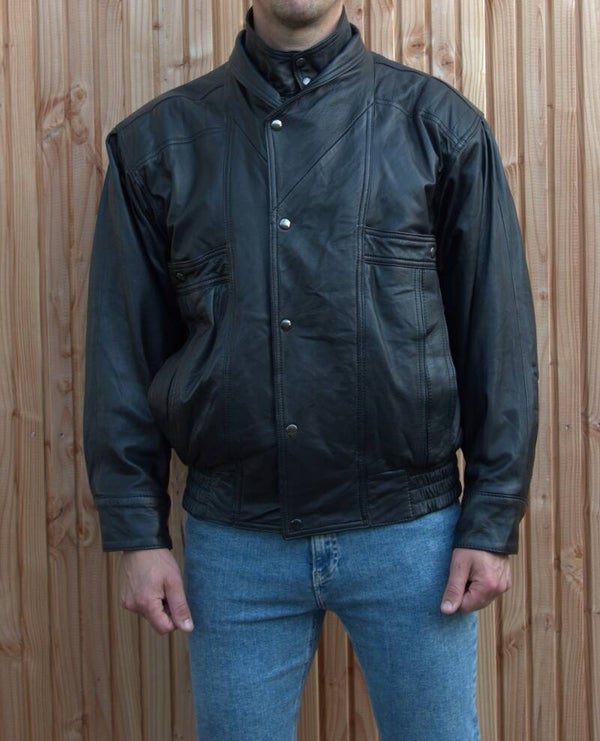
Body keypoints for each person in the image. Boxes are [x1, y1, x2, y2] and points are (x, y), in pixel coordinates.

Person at [84, 1, 538, 739]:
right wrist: (138, 532)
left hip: (413, 536)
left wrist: (490, 522)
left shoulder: (439, 128)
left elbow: (498, 338)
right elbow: (122, 355)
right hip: (236, 543)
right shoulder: (158, 145)